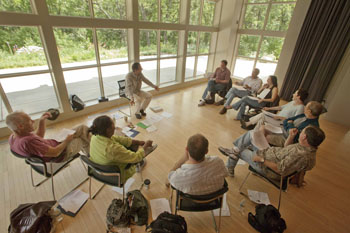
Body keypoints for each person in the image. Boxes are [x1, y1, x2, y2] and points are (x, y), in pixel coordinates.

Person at [219, 125, 325, 178]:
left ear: (304, 137)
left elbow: (281, 170)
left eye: (302, 132)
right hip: (270, 153)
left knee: (241, 149)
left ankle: (230, 164)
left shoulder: (301, 155)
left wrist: (262, 160)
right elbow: (285, 149)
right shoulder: (307, 147)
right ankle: (233, 154)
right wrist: (291, 137)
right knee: (252, 134)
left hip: (267, 167)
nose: (300, 133)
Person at [89, 115, 157, 183]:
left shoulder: (95, 136)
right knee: (137, 156)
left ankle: (141, 151)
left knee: (126, 143)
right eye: (113, 124)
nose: (115, 127)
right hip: (116, 176)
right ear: (108, 129)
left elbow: (116, 138)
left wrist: (137, 142)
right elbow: (135, 157)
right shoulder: (112, 149)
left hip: (97, 169)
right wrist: (145, 146)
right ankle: (140, 159)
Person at [6, 111, 90, 162]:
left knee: (82, 127)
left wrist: (42, 120)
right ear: (21, 126)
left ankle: (95, 150)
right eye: (29, 121)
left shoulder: (14, 136)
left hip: (55, 144)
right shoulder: (28, 142)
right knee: (82, 137)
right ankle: (94, 156)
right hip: (62, 154)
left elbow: (39, 136)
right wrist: (67, 141)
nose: (33, 121)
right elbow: (55, 153)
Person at [241, 89, 308, 130]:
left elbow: (295, 122)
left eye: (295, 93)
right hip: (277, 118)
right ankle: (253, 135)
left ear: (298, 96)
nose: (293, 94)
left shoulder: (301, 108)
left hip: (282, 123)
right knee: (261, 119)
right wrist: (269, 108)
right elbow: (280, 107)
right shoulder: (292, 102)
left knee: (263, 116)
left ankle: (248, 124)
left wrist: (280, 117)